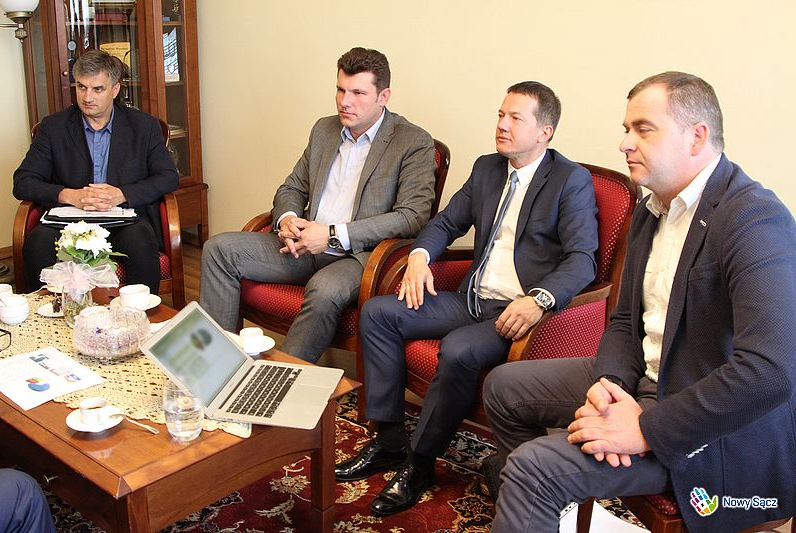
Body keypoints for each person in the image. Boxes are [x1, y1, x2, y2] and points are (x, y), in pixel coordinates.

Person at [483, 72, 796, 532]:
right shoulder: (652, 210)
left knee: (535, 468)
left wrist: (646, 429)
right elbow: (626, 318)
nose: (625, 143)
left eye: (643, 129)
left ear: (696, 137)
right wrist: (609, 384)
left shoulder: (754, 218)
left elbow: (771, 370)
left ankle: (535, 493)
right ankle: (538, 514)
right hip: (643, 377)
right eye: (626, 129)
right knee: (503, 387)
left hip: (708, 417)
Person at [336, 81, 599, 516]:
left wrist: (538, 299)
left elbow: (583, 259)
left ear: (545, 132)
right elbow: (445, 223)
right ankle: (389, 440)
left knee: (458, 349)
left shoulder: (570, 181)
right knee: (380, 312)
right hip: (471, 298)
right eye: (501, 115)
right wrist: (419, 257)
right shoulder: (487, 168)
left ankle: (419, 464)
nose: (502, 125)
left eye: (515, 118)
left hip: (516, 313)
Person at [199, 47, 436, 363]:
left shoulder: (412, 141)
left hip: (360, 257)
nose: (344, 101)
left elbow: (412, 216)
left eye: (358, 93)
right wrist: (287, 219)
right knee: (219, 250)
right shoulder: (324, 129)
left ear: (384, 96)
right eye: (340, 89)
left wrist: (332, 235)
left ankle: (280, 381)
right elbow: (292, 187)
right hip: (301, 246)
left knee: (324, 288)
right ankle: (217, 364)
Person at [13, 50, 179, 294]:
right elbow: (23, 182)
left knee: (142, 242)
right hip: (69, 221)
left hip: (124, 219)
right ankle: (47, 315)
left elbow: (168, 176)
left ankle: (138, 314)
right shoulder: (53, 127)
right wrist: (70, 195)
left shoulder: (144, 126)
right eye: (81, 87)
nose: (87, 97)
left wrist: (122, 194)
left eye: (98, 89)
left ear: (115, 89)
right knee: (37, 243)